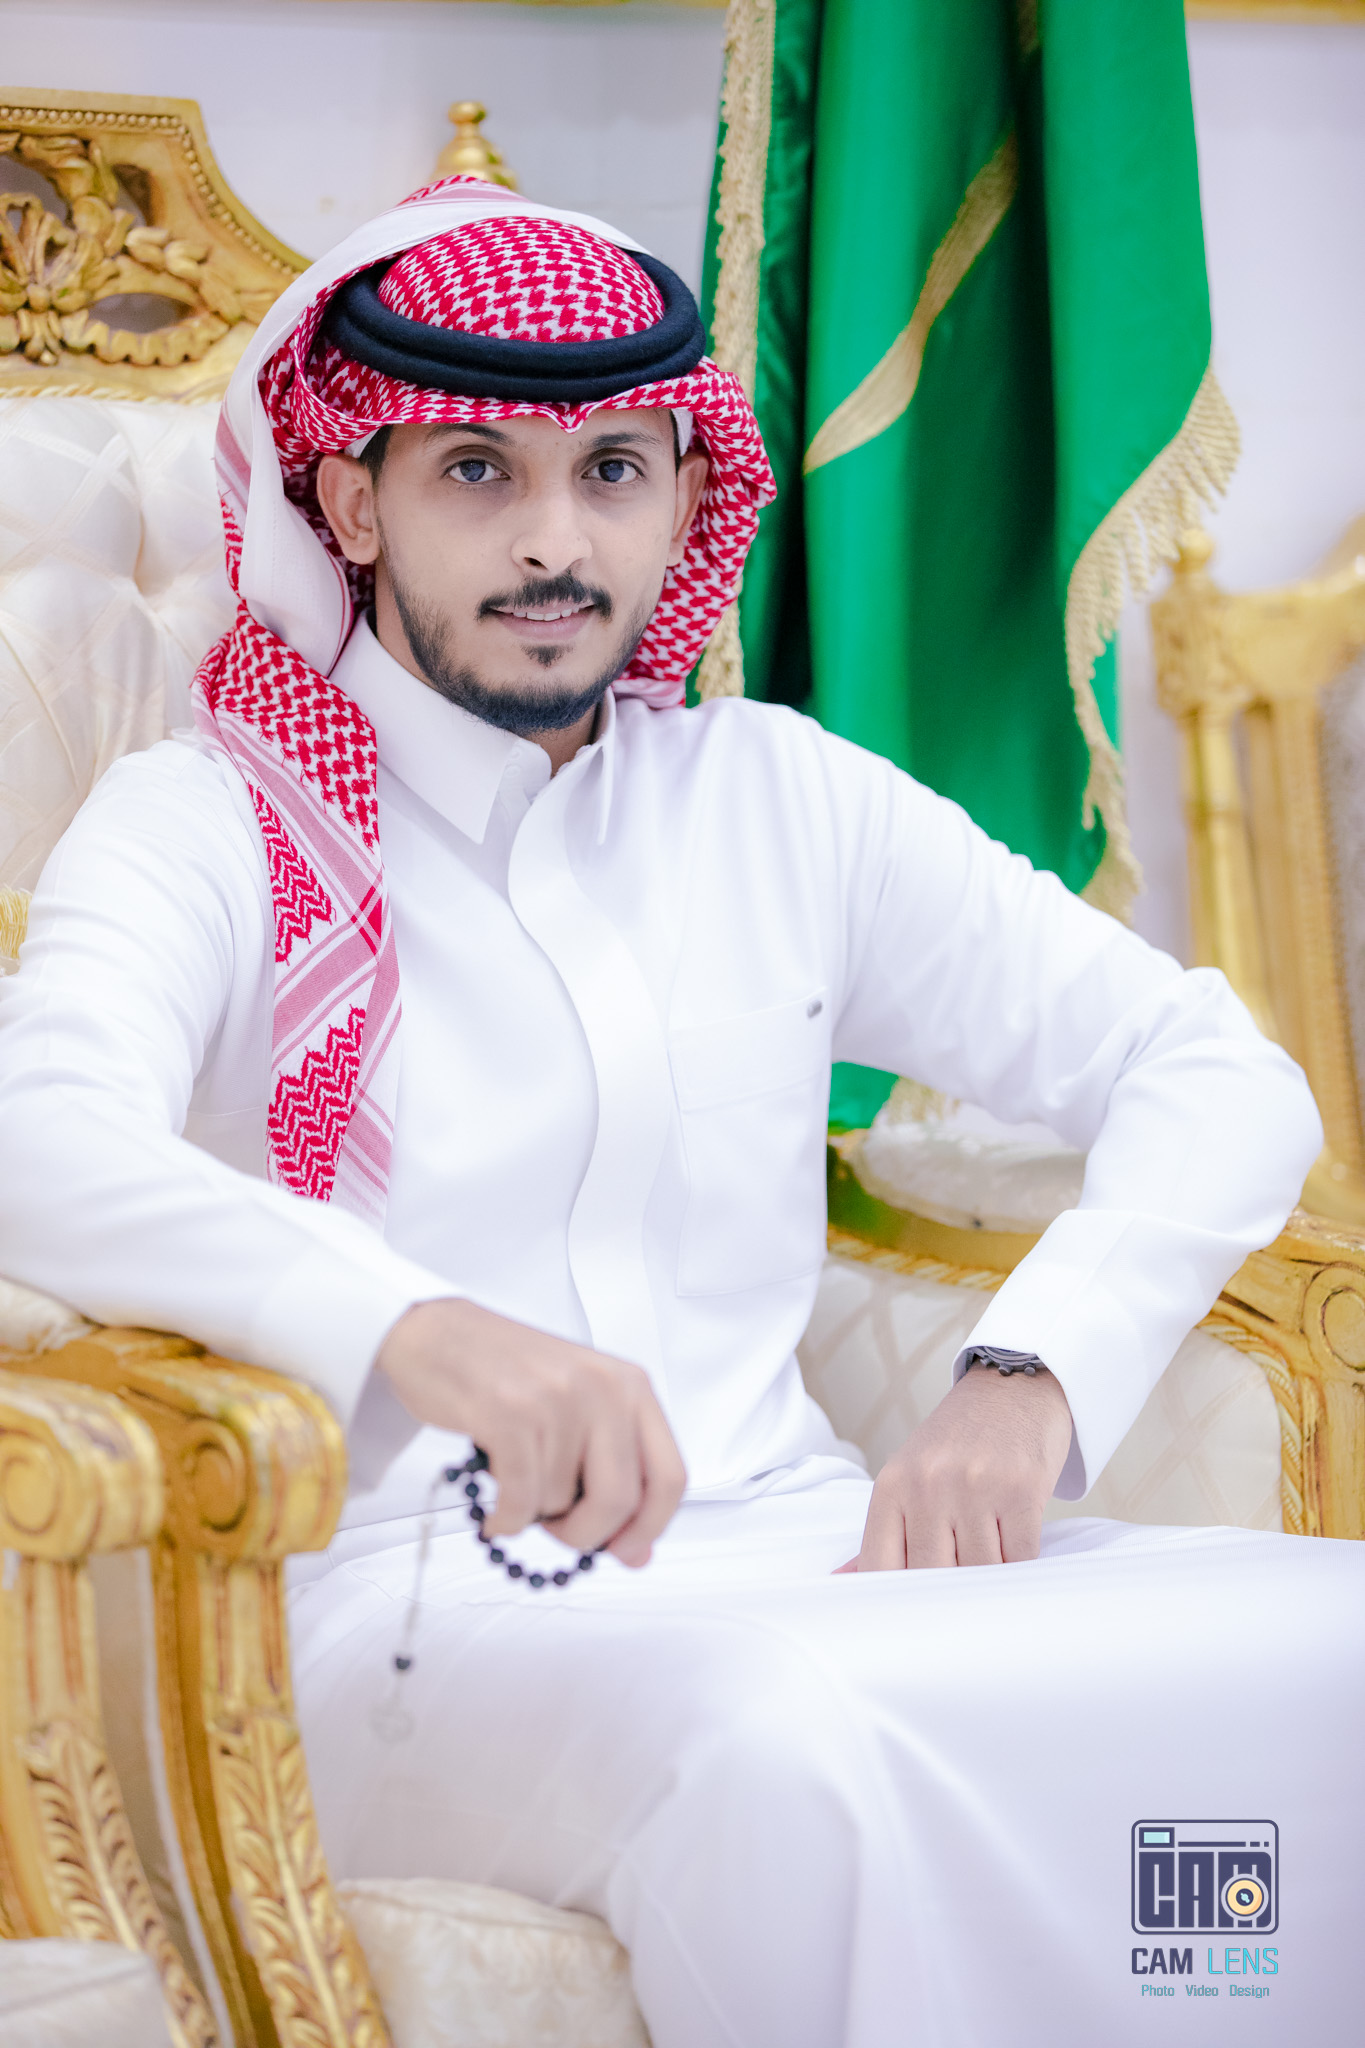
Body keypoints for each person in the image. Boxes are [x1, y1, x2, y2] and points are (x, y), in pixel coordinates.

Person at [0, 178, 1359, 2045]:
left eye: (613, 474)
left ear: (683, 497)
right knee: (774, 1744)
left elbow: (1212, 1070)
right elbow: (37, 1140)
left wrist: (1026, 1375)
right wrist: (417, 1329)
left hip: (812, 1549)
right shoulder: (206, 820)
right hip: (390, 1602)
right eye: (476, 471)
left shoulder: (775, 799)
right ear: (351, 500)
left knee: (1324, 1647)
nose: (554, 541)